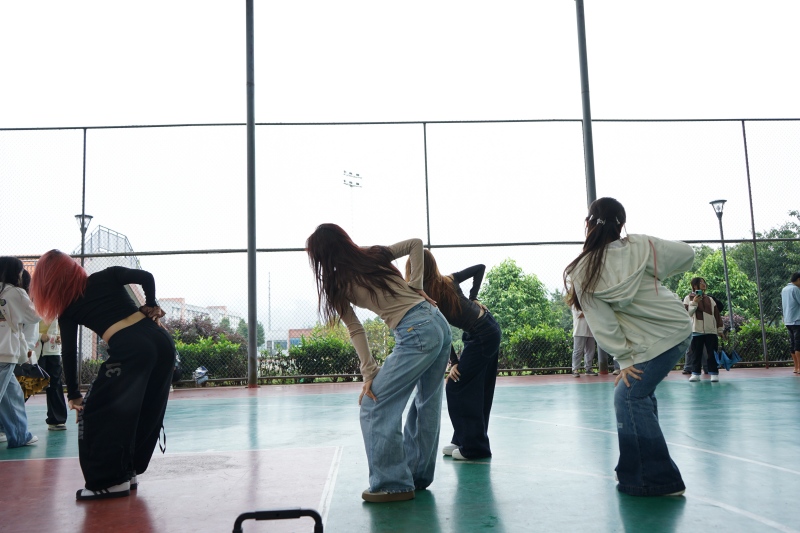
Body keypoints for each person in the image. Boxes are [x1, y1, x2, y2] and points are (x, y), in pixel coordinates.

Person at [306, 224, 451, 503]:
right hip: (436, 321)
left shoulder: (336, 283)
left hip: (416, 330)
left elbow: (355, 328)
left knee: (373, 406)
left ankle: (393, 484)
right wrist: (416, 287)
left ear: (321, 256)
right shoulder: (373, 254)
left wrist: (369, 373)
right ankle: (417, 476)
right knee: (427, 402)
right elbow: (416, 243)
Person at [564, 197, 693, 497]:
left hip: (656, 340)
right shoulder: (640, 245)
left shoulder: (584, 269)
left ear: (587, 224)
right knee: (638, 393)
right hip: (676, 326)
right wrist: (653, 260)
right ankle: (638, 470)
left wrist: (623, 358)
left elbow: (602, 322)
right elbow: (687, 253)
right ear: (621, 224)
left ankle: (656, 479)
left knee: (629, 395)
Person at [30, 250, 175, 501]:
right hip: (162, 341)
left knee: (95, 412)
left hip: (132, 348)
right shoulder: (107, 275)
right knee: (144, 407)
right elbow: (146, 277)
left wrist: (74, 395)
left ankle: (109, 481)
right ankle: (127, 470)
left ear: (48, 282)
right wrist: (151, 305)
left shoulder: (68, 308)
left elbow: (69, 353)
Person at [406, 249, 501, 461]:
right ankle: (462, 439)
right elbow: (480, 268)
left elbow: (442, 330)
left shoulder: (429, 294)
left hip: (483, 334)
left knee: (457, 386)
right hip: (485, 329)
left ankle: (475, 448)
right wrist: (473, 297)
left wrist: (455, 362)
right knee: (476, 387)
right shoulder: (446, 281)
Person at [0, 257, 39, 448]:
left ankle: (19, 435)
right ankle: (18, 435)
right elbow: (35, 316)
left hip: (4, 353)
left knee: (12, 394)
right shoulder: (15, 292)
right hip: (4, 352)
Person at [682, 278, 724, 382]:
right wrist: (694, 303)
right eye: (701, 282)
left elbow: (717, 315)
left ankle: (714, 374)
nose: (703, 284)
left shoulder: (710, 299)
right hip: (696, 331)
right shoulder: (688, 298)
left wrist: (720, 330)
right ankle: (695, 374)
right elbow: (687, 314)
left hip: (711, 331)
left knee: (712, 353)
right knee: (696, 354)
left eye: (704, 282)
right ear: (694, 286)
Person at [34, 318, 68, 429]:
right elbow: (24, 327)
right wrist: (40, 336)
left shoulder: (58, 311)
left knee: (55, 383)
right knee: (28, 382)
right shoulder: (33, 308)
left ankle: (56, 420)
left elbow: (58, 328)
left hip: (53, 350)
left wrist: (59, 337)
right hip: (35, 349)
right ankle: (6, 420)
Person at [781, 272, 800, 374]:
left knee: (793, 343)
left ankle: (796, 367)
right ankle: (799, 368)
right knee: (798, 344)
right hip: (797, 321)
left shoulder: (784, 289)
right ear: (799, 279)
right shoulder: (795, 289)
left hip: (788, 321)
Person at [571, 305, 597, 377]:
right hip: (579, 331)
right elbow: (579, 315)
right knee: (578, 351)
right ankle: (575, 369)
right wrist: (590, 311)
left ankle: (588, 369)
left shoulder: (589, 303)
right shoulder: (575, 304)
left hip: (591, 331)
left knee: (590, 351)